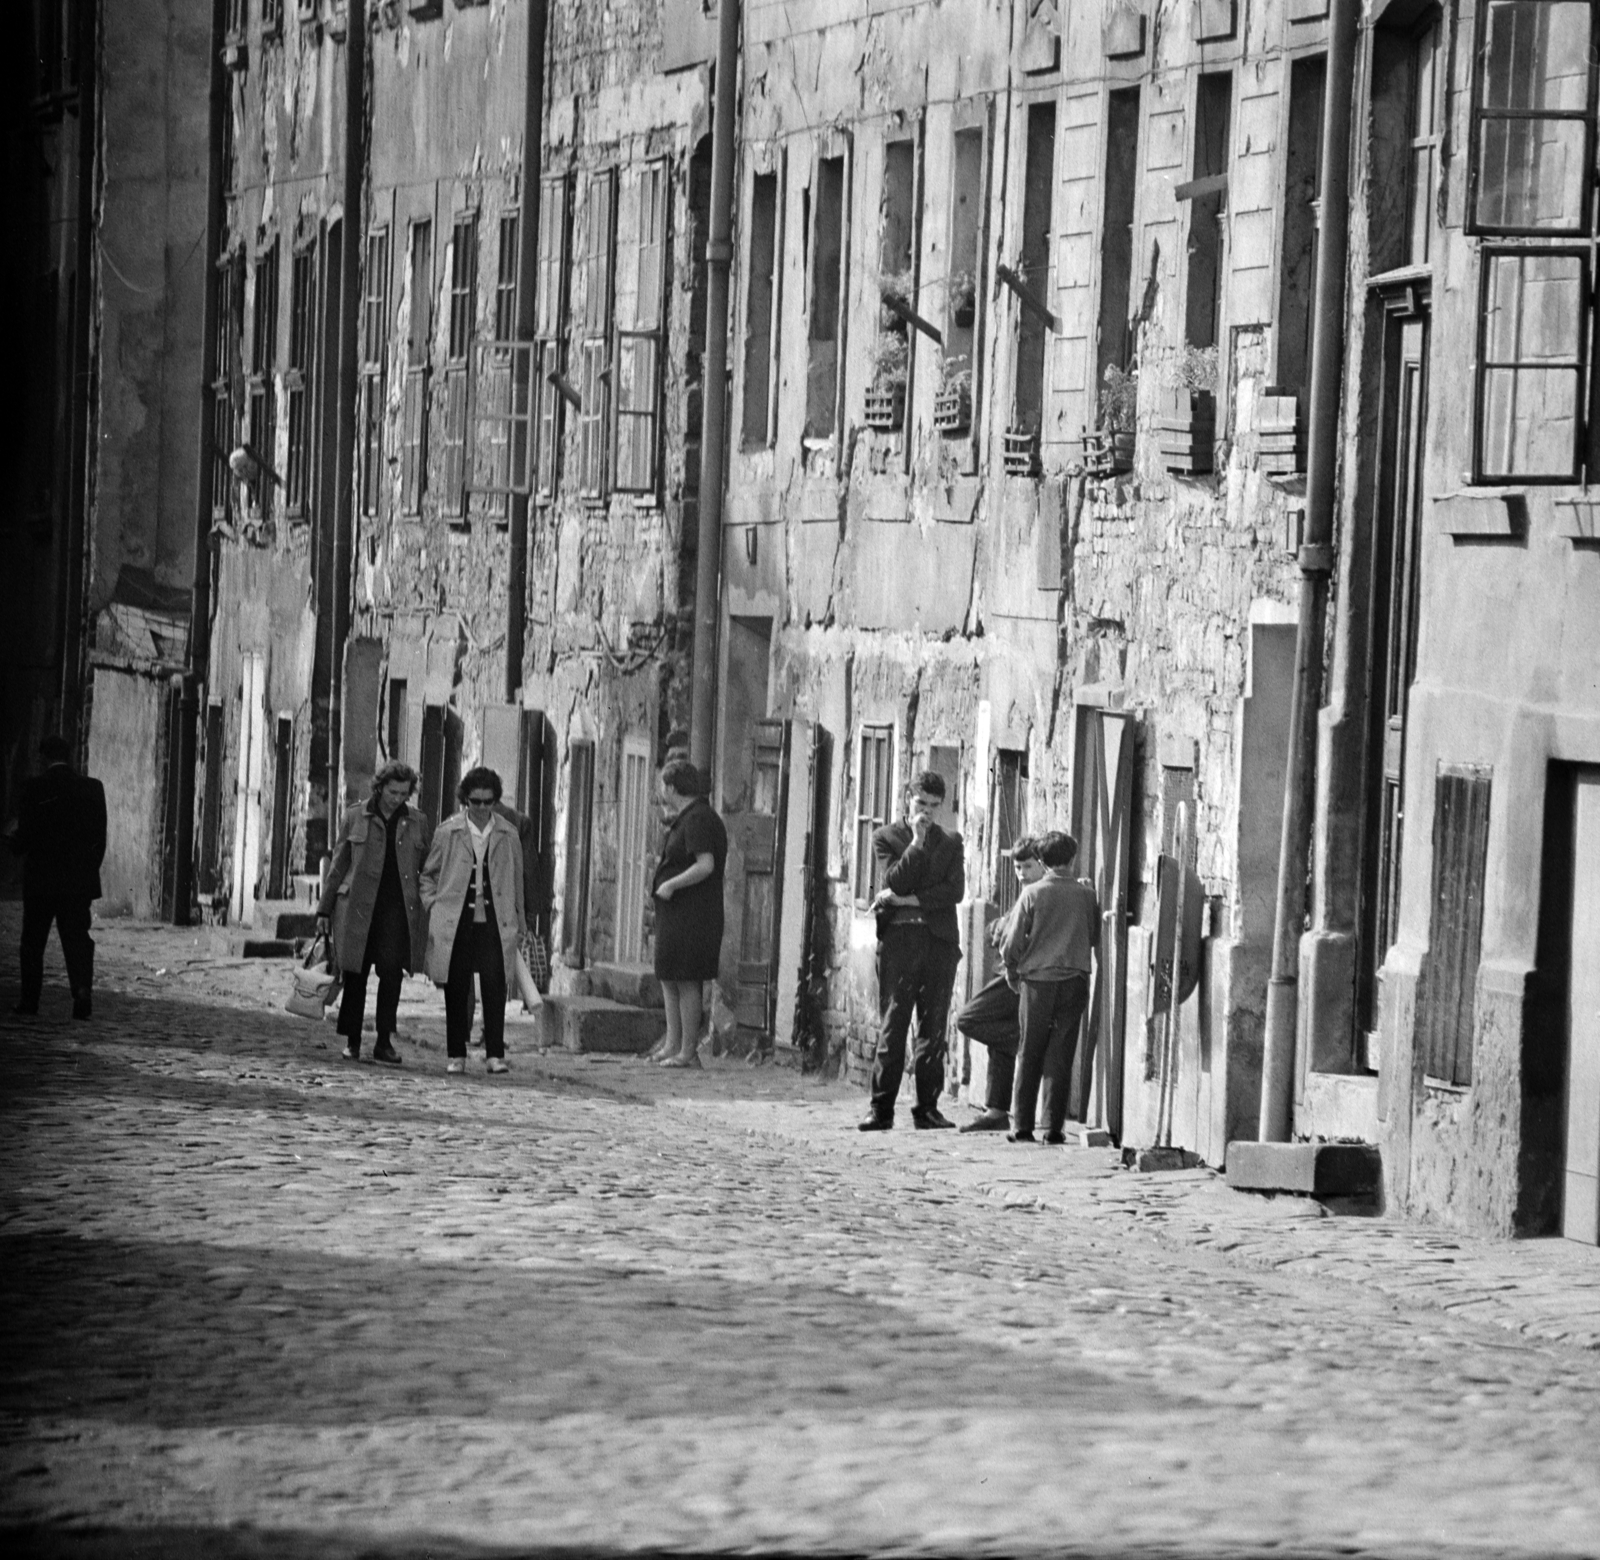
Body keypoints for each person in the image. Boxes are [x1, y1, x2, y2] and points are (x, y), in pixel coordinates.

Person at [860, 769, 965, 1132]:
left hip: (938, 943)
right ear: (908, 798)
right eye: (922, 803)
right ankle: (881, 1109)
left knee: (933, 1028)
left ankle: (927, 1108)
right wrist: (917, 844)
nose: (928, 813)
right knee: (894, 1024)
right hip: (900, 944)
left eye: (935, 806)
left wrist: (911, 899)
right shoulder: (886, 837)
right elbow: (893, 880)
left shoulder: (952, 842)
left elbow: (953, 893)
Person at [317, 761, 431, 1066]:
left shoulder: (417, 821)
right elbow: (339, 863)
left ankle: (384, 1041)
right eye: (393, 792)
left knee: (392, 975)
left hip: (396, 911)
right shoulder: (357, 815)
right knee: (355, 974)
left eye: (404, 793)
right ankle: (353, 1042)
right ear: (380, 787)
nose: (397, 799)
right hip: (357, 908)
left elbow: (427, 868)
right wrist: (324, 908)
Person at [420, 767, 526, 1076]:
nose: (481, 808)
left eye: (487, 802)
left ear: (495, 800)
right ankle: (456, 1054)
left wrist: (519, 919)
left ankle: (495, 1053)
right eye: (475, 802)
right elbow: (428, 876)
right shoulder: (448, 831)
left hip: (494, 920)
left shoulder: (508, 833)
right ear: (465, 800)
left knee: (495, 986)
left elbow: (517, 880)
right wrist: (434, 906)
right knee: (456, 987)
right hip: (456, 919)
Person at [1000, 830, 1101, 1144]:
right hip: (1075, 980)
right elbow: (1095, 936)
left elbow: (1011, 942)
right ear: (1072, 859)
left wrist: (1012, 971)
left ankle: (1022, 1126)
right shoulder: (1087, 895)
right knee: (1061, 1053)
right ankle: (1053, 1128)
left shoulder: (1032, 894)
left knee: (1029, 1051)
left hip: (1038, 983)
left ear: (1041, 862)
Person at [11, 734, 107, 1020]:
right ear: (71, 755)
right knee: (77, 940)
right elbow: (99, 841)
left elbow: (23, 840)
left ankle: (30, 1001)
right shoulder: (92, 789)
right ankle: (81, 995)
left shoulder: (34, 788)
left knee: (33, 942)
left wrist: (11, 842)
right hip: (77, 882)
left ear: (43, 758)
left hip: (41, 882)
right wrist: (87, 870)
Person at [954, 836, 1044, 1132]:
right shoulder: (1024, 893)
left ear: (1042, 865)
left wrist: (1003, 932)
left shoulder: (1039, 893)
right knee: (997, 1038)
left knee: (967, 1018)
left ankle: (1022, 1042)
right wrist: (1001, 930)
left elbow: (1012, 937)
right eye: (1017, 867)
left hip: (1015, 976)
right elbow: (995, 931)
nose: (1021, 873)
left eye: (1028, 866)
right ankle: (996, 1111)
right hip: (1006, 970)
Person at [650, 758, 727, 1070]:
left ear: (671, 787)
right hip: (677, 913)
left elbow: (705, 865)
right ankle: (672, 1044)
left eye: (663, 786)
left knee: (687, 980)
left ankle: (687, 1051)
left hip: (693, 914)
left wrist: (670, 884)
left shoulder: (698, 819)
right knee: (669, 976)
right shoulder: (685, 818)